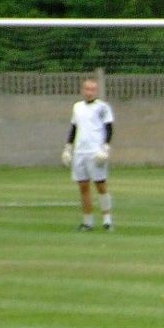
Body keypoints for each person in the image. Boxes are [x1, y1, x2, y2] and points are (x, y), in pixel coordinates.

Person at [62, 78, 115, 231]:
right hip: (80, 152)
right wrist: (68, 147)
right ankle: (88, 222)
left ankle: (107, 220)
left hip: (95, 151)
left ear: (96, 91)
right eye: (87, 89)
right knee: (83, 186)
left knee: (100, 185)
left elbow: (109, 128)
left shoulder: (103, 108)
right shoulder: (77, 107)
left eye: (92, 89)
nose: (89, 92)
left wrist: (105, 147)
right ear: (82, 90)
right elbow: (74, 128)